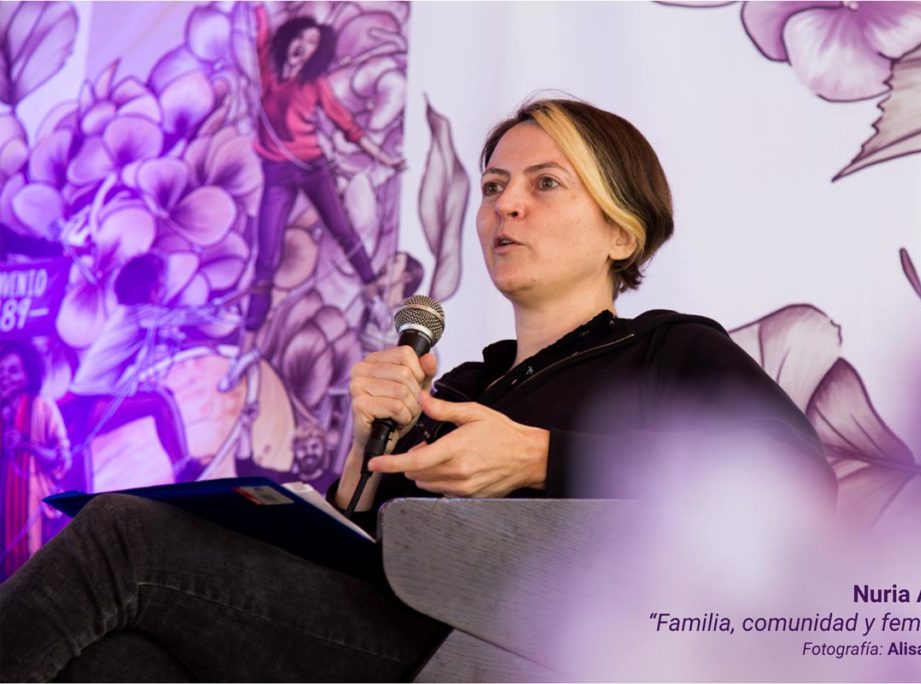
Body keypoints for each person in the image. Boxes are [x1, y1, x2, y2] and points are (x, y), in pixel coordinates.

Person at [0, 98, 834, 682]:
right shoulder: (462, 384)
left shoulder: (666, 350)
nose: (506, 207)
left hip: (509, 652)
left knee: (125, 537)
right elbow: (366, 547)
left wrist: (539, 457)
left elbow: (791, 483)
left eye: (545, 184)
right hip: (379, 626)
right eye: (494, 186)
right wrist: (366, 452)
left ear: (622, 230)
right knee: (121, 663)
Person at [219, 5, 406, 392]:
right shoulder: (268, 75)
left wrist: (384, 157)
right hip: (277, 175)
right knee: (265, 262)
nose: (304, 46)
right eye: (302, 38)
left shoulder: (314, 84)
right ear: (291, 41)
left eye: (313, 43)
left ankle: (375, 301)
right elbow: (260, 32)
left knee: (343, 231)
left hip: (312, 168)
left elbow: (346, 124)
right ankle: (244, 353)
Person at [59, 253, 215, 484]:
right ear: (148, 287)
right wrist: (221, 311)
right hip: (84, 404)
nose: (161, 290)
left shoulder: (127, 315)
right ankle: (183, 468)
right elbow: (182, 317)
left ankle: (182, 468)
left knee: (78, 479)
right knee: (159, 401)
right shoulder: (138, 313)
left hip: (83, 403)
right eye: (158, 285)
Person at [0, 340, 71, 580]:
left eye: (13, 371)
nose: (4, 378)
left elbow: (62, 460)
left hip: (32, 511)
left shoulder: (43, 407)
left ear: (29, 375)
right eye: (1, 371)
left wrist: (26, 445)